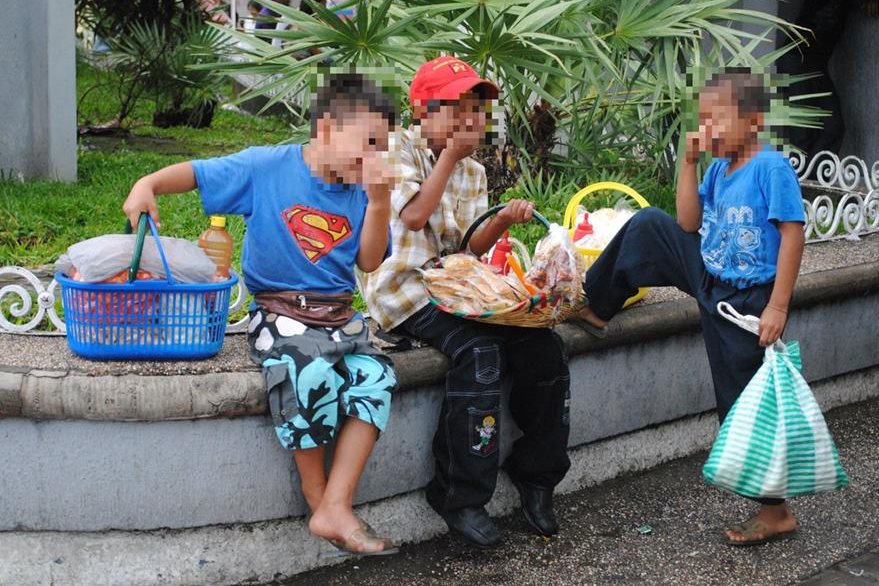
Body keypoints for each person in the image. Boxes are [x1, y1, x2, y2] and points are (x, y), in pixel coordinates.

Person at [122, 72, 400, 556]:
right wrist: (148, 184)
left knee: (375, 376)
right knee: (307, 371)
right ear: (328, 129)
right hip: (281, 314)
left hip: (339, 320)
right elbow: (201, 171)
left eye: (383, 145)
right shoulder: (268, 168)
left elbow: (370, 261)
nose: (375, 156)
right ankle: (318, 499)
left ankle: (337, 501)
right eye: (368, 142)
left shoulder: (363, 192)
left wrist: (379, 203)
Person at [576, 68, 806, 546]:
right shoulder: (720, 168)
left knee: (741, 403)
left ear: (754, 120)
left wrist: (778, 307)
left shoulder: (771, 168)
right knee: (650, 225)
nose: (709, 130)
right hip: (709, 274)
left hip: (746, 300)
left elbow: (792, 233)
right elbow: (687, 222)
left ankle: (776, 510)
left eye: (718, 121)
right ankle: (597, 305)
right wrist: (688, 162)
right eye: (703, 120)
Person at [360, 56, 571, 548]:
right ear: (422, 110)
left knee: (545, 348)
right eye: (458, 108)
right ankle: (459, 494)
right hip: (406, 292)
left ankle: (538, 476)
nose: (471, 120)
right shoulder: (398, 149)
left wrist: (503, 219)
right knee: (478, 352)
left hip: (457, 286)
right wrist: (450, 158)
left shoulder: (473, 170)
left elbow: (471, 245)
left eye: (477, 110)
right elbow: (412, 217)